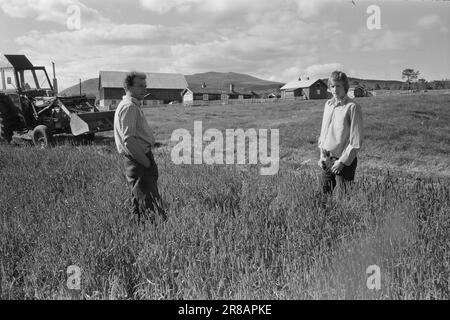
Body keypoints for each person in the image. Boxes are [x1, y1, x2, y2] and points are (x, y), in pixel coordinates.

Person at [113, 72, 166, 223]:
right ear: (128, 87)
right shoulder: (129, 107)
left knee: (140, 201)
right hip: (138, 160)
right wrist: (146, 162)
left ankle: (139, 229)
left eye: (145, 86)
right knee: (149, 205)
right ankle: (153, 234)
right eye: (140, 86)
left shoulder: (131, 105)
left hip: (138, 159)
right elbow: (129, 140)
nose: (144, 89)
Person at [318, 71, 363, 195]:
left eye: (338, 86)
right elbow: (324, 133)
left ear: (345, 87)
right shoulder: (328, 105)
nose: (335, 89)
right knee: (323, 196)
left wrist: (342, 162)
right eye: (332, 86)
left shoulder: (352, 107)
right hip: (327, 158)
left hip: (344, 161)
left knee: (343, 199)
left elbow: (356, 140)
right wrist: (322, 155)